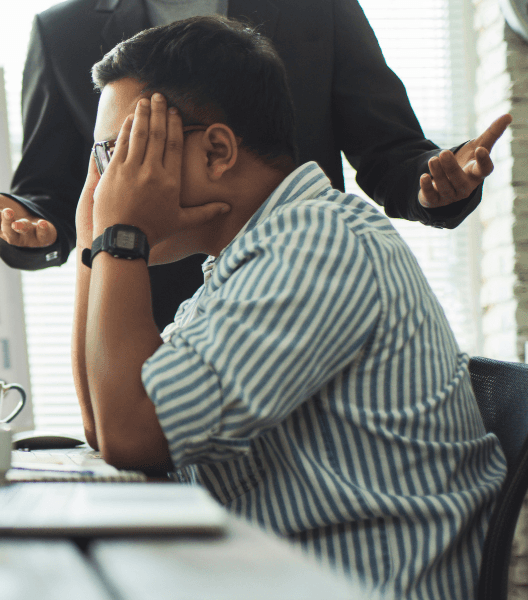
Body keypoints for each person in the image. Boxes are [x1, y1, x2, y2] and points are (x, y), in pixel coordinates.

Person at [73, 16, 507, 598]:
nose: (108, 180)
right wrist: (91, 237)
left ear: (218, 150)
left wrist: (118, 233)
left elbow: (132, 432)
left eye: (121, 151)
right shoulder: (242, 267)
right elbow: (106, 426)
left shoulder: (317, 245)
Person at [0, 0, 511, 329]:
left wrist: (436, 183)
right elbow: (47, 193)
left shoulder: (314, 8)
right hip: (148, 311)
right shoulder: (63, 32)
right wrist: (30, 228)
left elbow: (389, 147)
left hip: (300, 290)